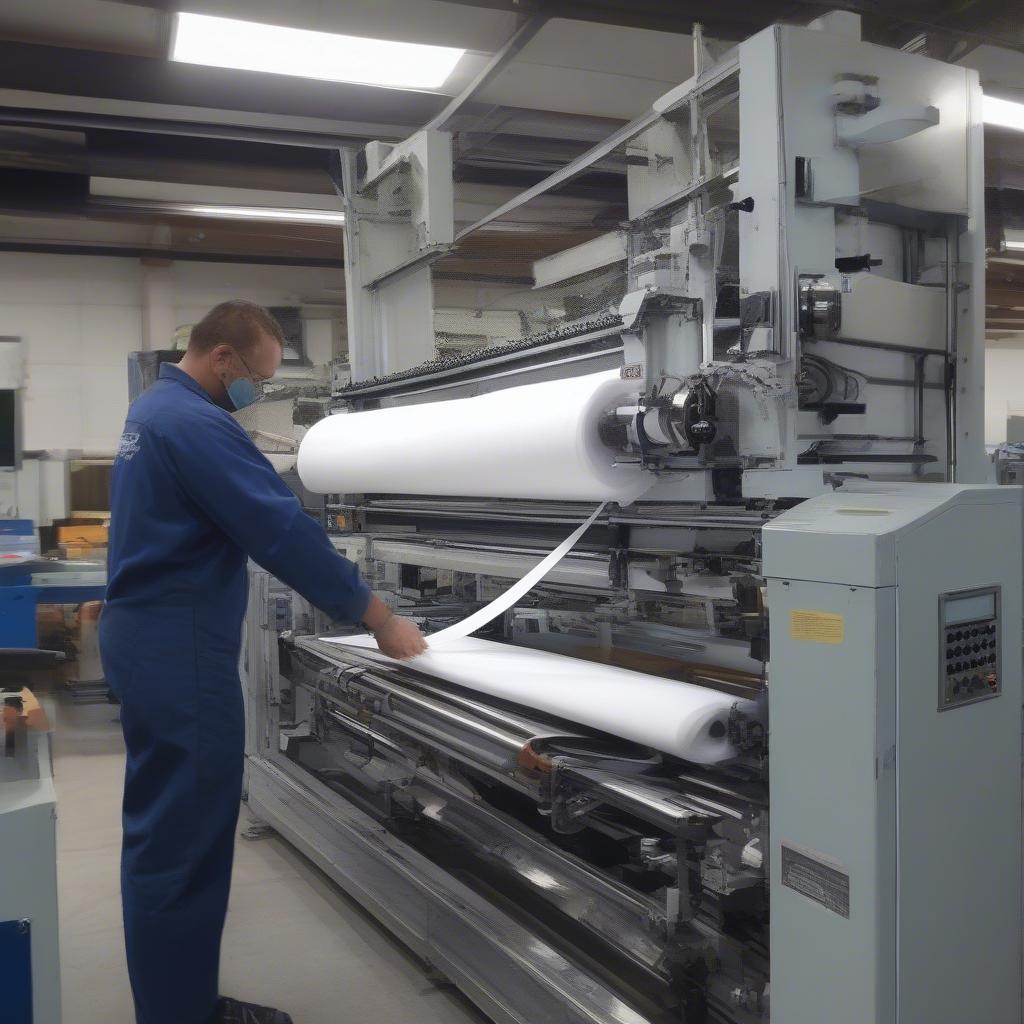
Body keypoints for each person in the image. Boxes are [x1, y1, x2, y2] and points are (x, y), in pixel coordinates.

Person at [100, 300, 426, 1024]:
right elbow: (278, 529)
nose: (259, 394)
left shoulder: (152, 411)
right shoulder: (195, 424)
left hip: (148, 639)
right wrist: (378, 617)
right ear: (223, 359)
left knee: (165, 840)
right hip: (178, 654)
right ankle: (182, 1016)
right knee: (182, 850)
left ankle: (178, 1003)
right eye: (258, 378)